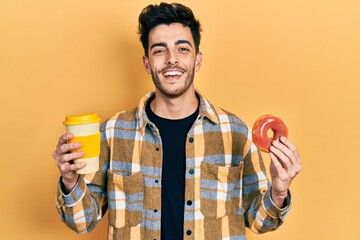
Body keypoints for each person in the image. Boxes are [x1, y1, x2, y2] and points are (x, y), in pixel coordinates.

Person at [52, 2, 301, 240]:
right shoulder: (113, 132)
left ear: (198, 59)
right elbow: (83, 221)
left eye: (183, 48)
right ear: (147, 63)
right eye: (159, 50)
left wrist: (279, 190)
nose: (172, 59)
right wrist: (70, 181)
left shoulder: (236, 132)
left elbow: (259, 222)